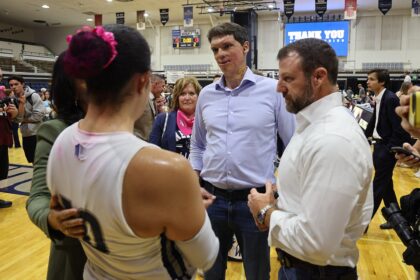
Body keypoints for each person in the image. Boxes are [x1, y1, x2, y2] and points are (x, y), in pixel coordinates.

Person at [47, 24, 218, 279]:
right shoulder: (167, 170)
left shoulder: (60, 143)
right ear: (142, 81)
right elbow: (206, 257)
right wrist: (188, 206)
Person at [248, 38, 373, 280]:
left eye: (288, 79)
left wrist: (265, 212)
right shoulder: (313, 125)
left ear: (318, 77)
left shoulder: (333, 139)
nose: (278, 87)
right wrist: (281, 196)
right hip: (301, 268)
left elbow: (316, 242)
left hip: (316, 272)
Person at [190, 22, 296, 280]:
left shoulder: (272, 91)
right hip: (212, 200)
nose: (220, 54)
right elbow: (198, 144)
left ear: (246, 47)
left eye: (227, 46)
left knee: (257, 273)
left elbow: (294, 144)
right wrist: (195, 181)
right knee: (211, 272)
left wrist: (279, 193)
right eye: (215, 49)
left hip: (255, 200)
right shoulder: (206, 95)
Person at [26, 52, 87, 280]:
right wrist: (51, 219)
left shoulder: (125, 124)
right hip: (76, 256)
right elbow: (39, 196)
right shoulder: (56, 131)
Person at [365, 69, 412, 230]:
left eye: (371, 79)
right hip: (379, 146)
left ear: (382, 82)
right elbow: (374, 120)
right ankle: (397, 218)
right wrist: (363, 137)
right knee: (385, 185)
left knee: (377, 186)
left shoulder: (390, 98)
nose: (368, 82)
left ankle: (362, 223)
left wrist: (389, 149)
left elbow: (399, 129)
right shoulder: (379, 98)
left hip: (385, 148)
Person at [149, 76, 201, 158]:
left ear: (198, 96)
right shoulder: (163, 119)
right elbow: (152, 153)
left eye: (191, 93)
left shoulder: (205, 121)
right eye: (182, 94)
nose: (187, 98)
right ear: (177, 97)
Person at [8, 75, 44, 163]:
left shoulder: (33, 96)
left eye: (16, 84)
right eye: (11, 85)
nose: (13, 87)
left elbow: (39, 115)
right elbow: (15, 119)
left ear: (22, 84)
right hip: (25, 135)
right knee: (32, 161)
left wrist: (23, 120)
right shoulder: (12, 100)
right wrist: (21, 105)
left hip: (38, 133)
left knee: (42, 161)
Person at [0, 84, 18, 208]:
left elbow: (10, 115)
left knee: (1, 171)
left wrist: (14, 112)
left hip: (3, 137)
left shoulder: (2, 94)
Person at [133, 74, 166, 141]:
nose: (163, 89)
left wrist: (159, 110)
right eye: (162, 86)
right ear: (155, 84)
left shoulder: (154, 100)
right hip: (138, 142)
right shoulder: (139, 98)